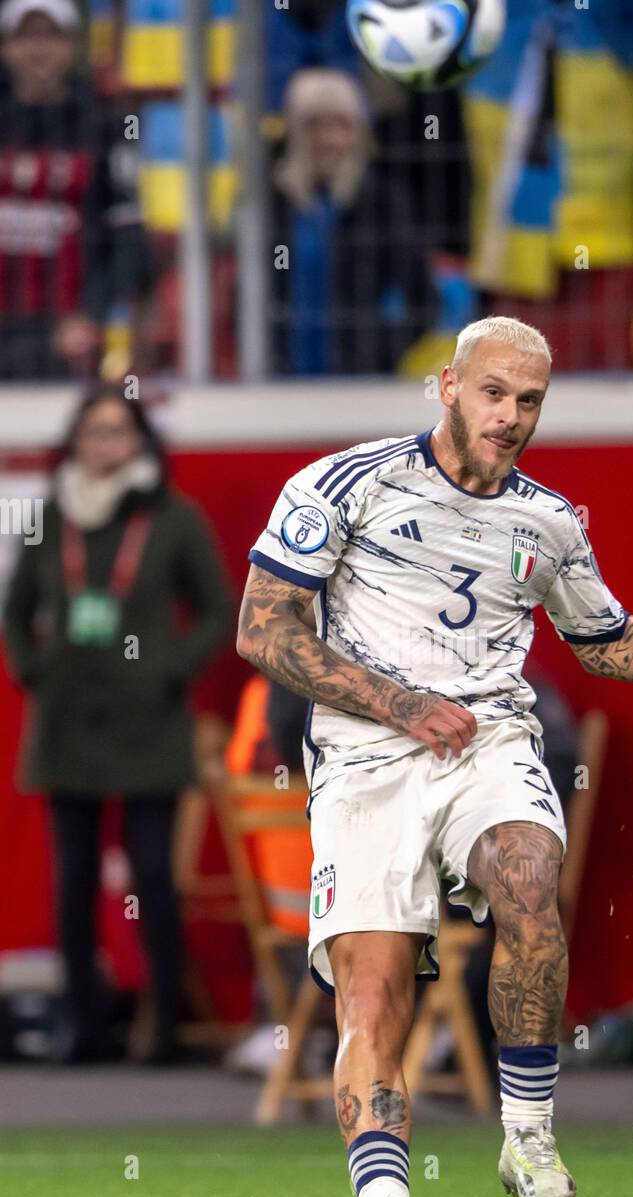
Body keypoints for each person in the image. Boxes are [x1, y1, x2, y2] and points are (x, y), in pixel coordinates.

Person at [236, 315, 633, 1197]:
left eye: (529, 400)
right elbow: (263, 630)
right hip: (366, 758)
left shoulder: (551, 522)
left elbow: (602, 638)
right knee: (373, 995)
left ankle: (526, 1130)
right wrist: (403, 702)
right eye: (494, 393)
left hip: (487, 743)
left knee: (530, 877)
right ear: (448, 386)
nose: (511, 416)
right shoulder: (343, 486)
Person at [3, 385, 234, 1063]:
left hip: (149, 721)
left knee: (154, 874)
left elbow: (220, 610)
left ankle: (162, 1027)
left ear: (140, 441)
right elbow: (15, 611)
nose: (105, 444)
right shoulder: (50, 515)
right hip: (67, 715)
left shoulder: (172, 517)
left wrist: (170, 667)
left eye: (118, 431)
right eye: (93, 431)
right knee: (71, 878)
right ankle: (83, 1026)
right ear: (75, 440)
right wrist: (32, 667)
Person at [0, 0, 152, 379]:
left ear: (73, 46)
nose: (39, 48)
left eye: (52, 35)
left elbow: (130, 236)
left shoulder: (106, 126)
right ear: (6, 47)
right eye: (26, 36)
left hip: (68, 332)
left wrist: (91, 314)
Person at [269, 67, 438, 375]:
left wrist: (381, 355)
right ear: (294, 131)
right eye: (314, 126)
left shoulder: (384, 201)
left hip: (359, 382)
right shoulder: (270, 202)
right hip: (279, 379)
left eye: (341, 125)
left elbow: (423, 299)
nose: (329, 139)